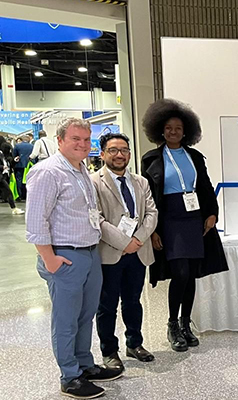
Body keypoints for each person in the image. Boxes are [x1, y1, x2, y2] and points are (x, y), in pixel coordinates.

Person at [26, 118, 123, 399]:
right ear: (60, 141)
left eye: (86, 139)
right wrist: (50, 259)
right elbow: (35, 222)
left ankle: (84, 364)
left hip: (90, 254)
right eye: (75, 139)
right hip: (65, 256)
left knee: (85, 316)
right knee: (66, 320)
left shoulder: (81, 169)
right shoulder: (48, 172)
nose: (82, 144)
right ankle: (69, 376)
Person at [141, 98, 228, 352]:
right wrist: (153, 230)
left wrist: (212, 213)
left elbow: (205, 188)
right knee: (179, 272)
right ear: (160, 129)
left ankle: (185, 323)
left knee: (191, 274)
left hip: (194, 219)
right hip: (169, 219)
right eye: (168, 128)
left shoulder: (195, 157)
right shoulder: (152, 159)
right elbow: (148, 197)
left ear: (186, 131)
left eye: (178, 128)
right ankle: (171, 325)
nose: (173, 132)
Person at [92, 133, 159, 370]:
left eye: (124, 150)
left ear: (130, 154)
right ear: (102, 154)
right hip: (110, 254)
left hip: (138, 252)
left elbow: (152, 214)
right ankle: (109, 351)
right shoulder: (93, 182)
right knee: (107, 304)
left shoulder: (141, 182)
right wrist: (124, 243)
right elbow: (97, 220)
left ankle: (134, 343)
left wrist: (138, 240)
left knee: (133, 301)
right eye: (113, 150)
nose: (119, 155)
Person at [0, 149, 24, 214]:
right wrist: (2, 167)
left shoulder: (1, 153)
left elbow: (7, 162)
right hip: (1, 176)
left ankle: (14, 208)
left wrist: (14, 161)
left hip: (2, 176)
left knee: (8, 191)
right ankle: (14, 209)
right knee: (8, 191)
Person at [12, 134, 33, 201]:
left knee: (19, 180)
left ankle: (20, 196)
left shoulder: (17, 146)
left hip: (19, 165)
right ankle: (27, 195)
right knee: (29, 180)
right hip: (29, 165)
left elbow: (14, 155)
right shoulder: (32, 146)